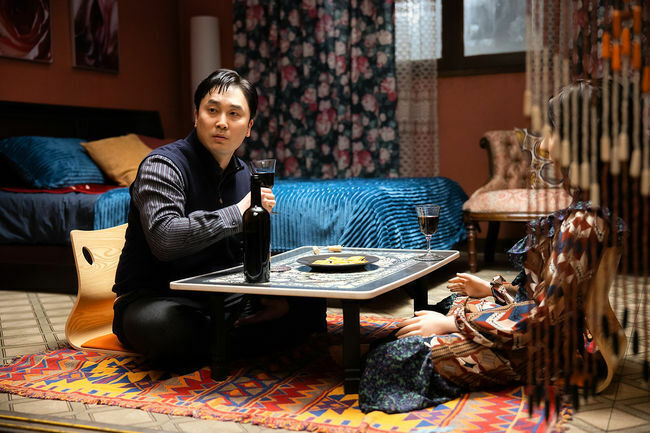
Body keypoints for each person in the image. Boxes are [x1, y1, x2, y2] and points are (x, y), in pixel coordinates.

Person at [359, 81, 626, 413]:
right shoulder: (591, 211)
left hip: (541, 350)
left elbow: (544, 320)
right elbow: (554, 296)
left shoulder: (582, 224)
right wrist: (489, 289)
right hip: (543, 335)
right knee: (453, 302)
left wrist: (451, 326)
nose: (544, 146)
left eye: (553, 133)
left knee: (392, 360)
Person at [112, 69, 326, 372]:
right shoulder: (163, 165)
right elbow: (165, 239)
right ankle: (237, 340)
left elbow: (244, 254)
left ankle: (224, 341)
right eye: (212, 110)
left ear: (248, 127)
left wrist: (271, 292)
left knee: (312, 303)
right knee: (169, 329)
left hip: (221, 297)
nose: (222, 122)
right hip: (160, 298)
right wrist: (238, 213)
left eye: (234, 114)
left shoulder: (245, 174)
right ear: (196, 116)